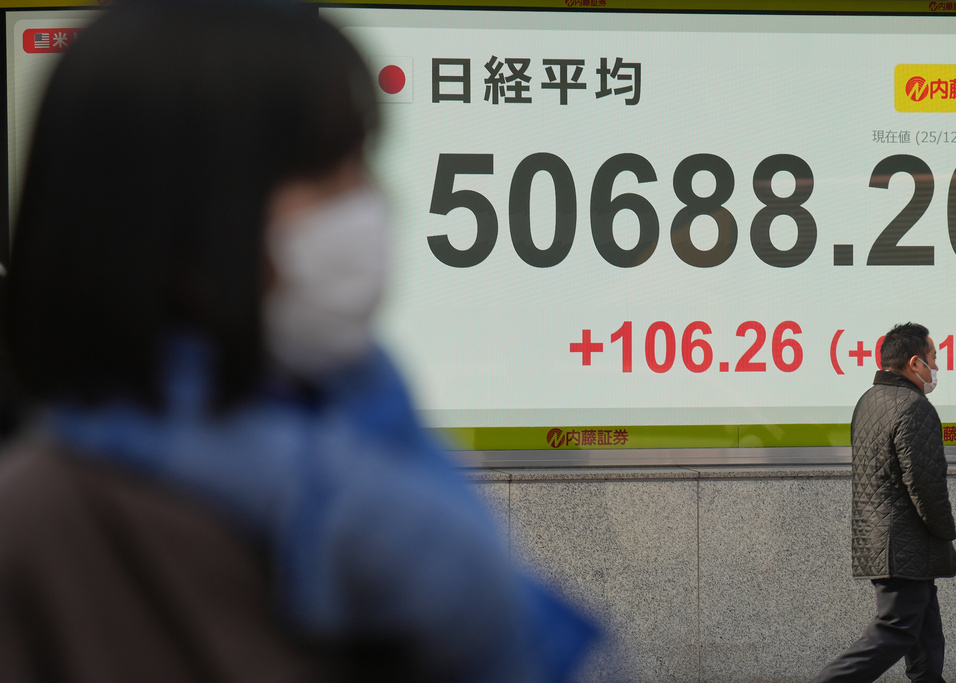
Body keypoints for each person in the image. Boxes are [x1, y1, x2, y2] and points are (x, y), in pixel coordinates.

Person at [0, 0, 597, 681]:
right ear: (166, 209)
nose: (366, 206)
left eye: (358, 164)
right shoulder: (43, 534)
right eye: (317, 173)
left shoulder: (373, 439)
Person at [811, 323, 956, 683]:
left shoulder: (869, 401)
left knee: (924, 636)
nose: (936, 366)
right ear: (914, 362)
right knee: (896, 630)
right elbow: (925, 485)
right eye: (933, 358)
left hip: (883, 541)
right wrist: (946, 532)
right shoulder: (914, 407)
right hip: (904, 544)